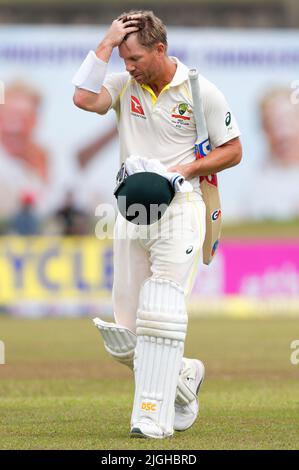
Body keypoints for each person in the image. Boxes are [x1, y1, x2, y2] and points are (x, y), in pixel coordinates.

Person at [72, 10, 242, 439]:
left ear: (159, 49)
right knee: (126, 335)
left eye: (134, 58)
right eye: (122, 59)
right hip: (132, 210)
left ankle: (151, 416)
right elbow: (81, 98)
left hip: (182, 207)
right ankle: (183, 379)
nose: (128, 66)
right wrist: (107, 43)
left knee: (161, 312)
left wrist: (186, 168)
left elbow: (234, 150)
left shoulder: (200, 89)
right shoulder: (122, 84)